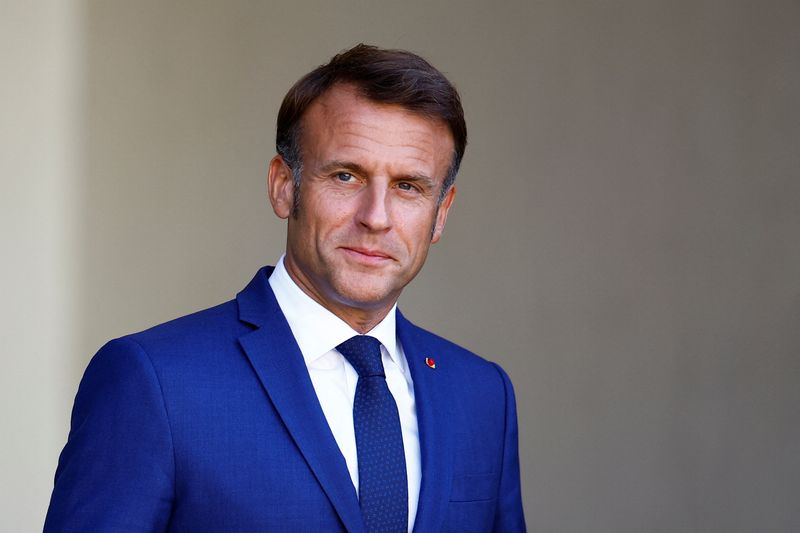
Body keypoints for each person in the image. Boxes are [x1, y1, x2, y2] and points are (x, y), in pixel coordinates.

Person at [45, 44, 525, 532]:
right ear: (283, 185)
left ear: (440, 213)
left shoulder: (482, 396)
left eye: (408, 187)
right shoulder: (154, 383)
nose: (376, 217)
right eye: (345, 175)